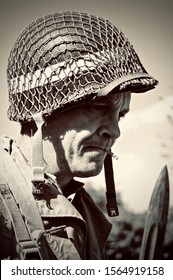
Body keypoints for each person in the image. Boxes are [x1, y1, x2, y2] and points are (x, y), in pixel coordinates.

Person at [0, 11, 158, 260]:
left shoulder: (85, 214)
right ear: (42, 109)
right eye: (98, 108)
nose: (114, 131)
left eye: (120, 115)